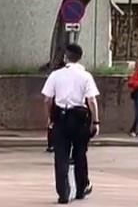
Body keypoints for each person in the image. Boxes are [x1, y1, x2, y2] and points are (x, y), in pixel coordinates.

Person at [41, 43, 100, 204]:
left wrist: (50, 118)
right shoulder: (86, 76)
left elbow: (47, 99)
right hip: (80, 118)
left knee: (61, 156)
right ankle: (81, 189)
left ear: (66, 57)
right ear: (80, 58)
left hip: (61, 117)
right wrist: (95, 121)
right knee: (80, 154)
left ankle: (63, 193)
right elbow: (91, 100)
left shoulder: (55, 75)